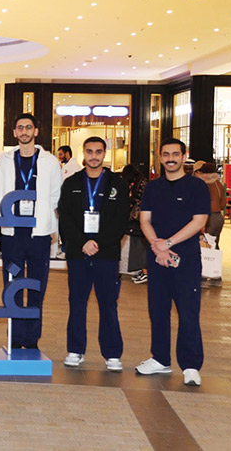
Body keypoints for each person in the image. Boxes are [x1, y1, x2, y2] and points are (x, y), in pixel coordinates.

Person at [137, 137, 209, 387]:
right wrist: (157, 246)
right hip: (157, 258)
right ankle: (160, 359)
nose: (170, 159)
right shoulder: (153, 188)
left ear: (184, 156)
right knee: (157, 310)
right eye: (166, 154)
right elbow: (144, 220)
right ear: (160, 157)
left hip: (186, 260)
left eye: (175, 154)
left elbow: (199, 221)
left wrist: (167, 243)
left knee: (188, 312)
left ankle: (190, 366)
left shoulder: (196, 187)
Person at [58, 137, 130, 371]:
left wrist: (97, 243)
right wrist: (83, 243)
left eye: (98, 152)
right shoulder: (71, 183)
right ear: (84, 153)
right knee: (77, 302)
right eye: (89, 152)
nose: (94, 156)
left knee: (108, 304)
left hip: (106, 254)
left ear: (104, 154)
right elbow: (65, 218)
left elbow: (121, 220)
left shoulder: (117, 184)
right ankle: (75, 350)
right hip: (78, 254)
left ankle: (112, 353)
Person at [0, 113, 62, 349]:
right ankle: (15, 339)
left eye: (28, 127)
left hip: (39, 236)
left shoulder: (50, 162)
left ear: (36, 131)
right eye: (20, 128)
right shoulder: (4, 160)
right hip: (12, 236)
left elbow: (55, 196)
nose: (24, 131)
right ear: (14, 132)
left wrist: (46, 220)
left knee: (37, 288)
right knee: (12, 287)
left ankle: (32, 340)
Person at [120, 164, 149, 284]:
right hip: (139, 219)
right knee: (138, 243)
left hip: (139, 219)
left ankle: (145, 271)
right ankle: (143, 271)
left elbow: (138, 200)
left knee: (139, 244)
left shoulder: (140, 184)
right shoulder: (141, 182)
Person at [195, 162, 225, 249]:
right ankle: (216, 258)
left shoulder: (202, 184)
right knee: (214, 243)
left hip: (208, 218)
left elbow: (202, 204)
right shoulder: (219, 184)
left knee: (207, 244)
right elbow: (223, 205)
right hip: (219, 218)